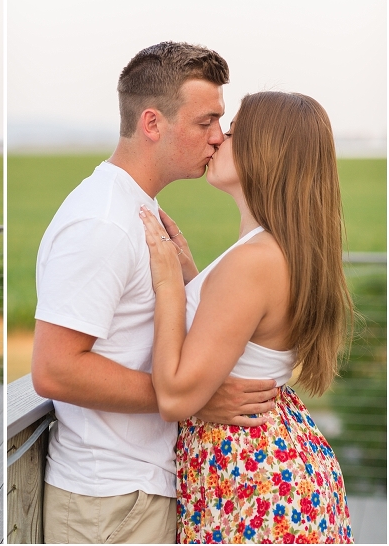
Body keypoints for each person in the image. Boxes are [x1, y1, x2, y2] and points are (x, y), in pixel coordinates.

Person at [31, 42, 279, 544]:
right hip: (111, 500)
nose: (218, 138)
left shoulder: (133, 210)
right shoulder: (103, 221)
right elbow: (54, 368)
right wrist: (190, 399)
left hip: (137, 492)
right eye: (206, 122)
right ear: (152, 123)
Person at [140, 91, 353, 543]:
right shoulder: (275, 249)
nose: (217, 139)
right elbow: (241, 340)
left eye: (232, 132)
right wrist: (195, 278)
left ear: (265, 152)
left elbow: (175, 396)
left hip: (253, 480)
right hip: (273, 466)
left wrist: (168, 288)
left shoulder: (253, 262)